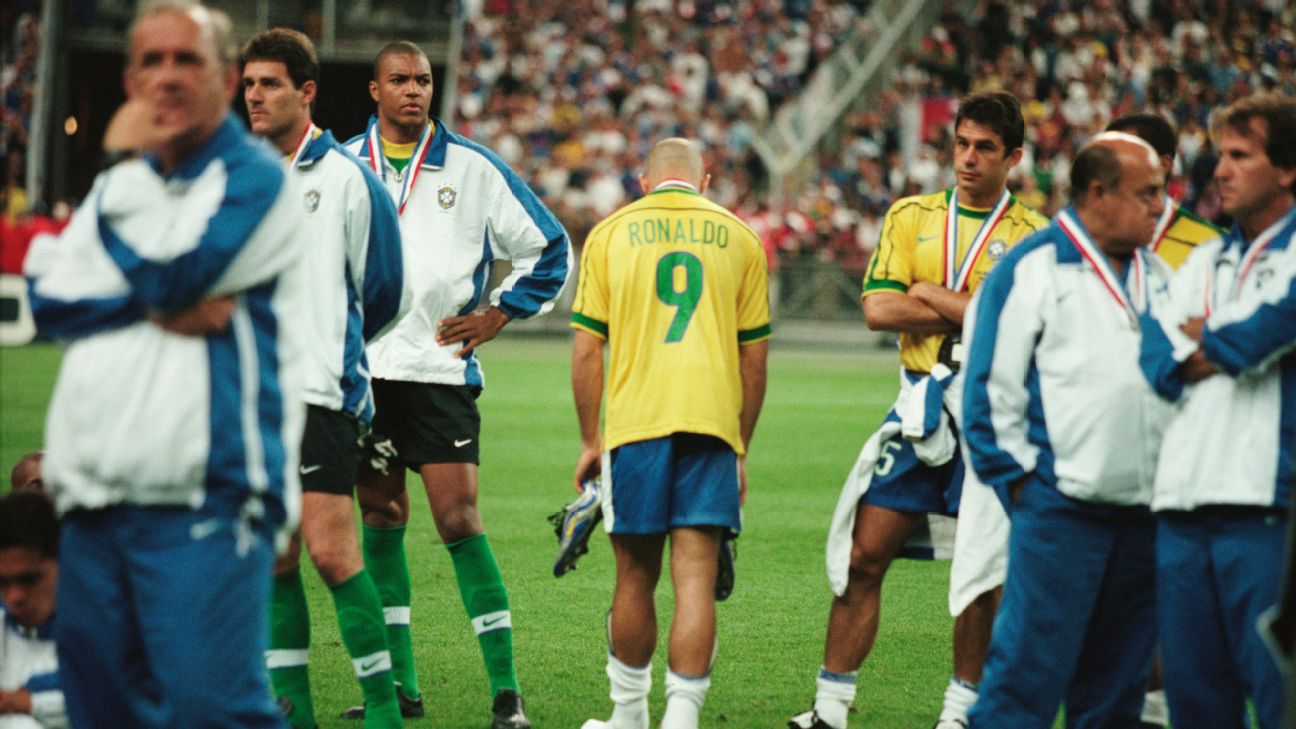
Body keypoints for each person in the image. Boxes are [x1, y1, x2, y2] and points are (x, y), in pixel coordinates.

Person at [23, 2, 307, 726]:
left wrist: (124, 272)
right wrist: (152, 291)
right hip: (90, 502)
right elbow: (46, 297)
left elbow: (181, 275)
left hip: (205, 496)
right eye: (152, 60)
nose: (168, 75)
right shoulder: (121, 187)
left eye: (187, 59)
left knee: (212, 709)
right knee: (103, 709)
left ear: (225, 76)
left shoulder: (257, 180)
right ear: (129, 78)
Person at [945, 111, 1226, 729]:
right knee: (1024, 683)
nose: (1163, 205)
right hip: (1061, 513)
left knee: (1115, 695)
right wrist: (1031, 493)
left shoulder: (1157, 275)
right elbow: (987, 399)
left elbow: (1167, 381)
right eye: (1149, 192)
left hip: (1143, 517)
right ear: (1099, 193)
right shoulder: (1030, 268)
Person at [790, 90, 1048, 729]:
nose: (967, 158)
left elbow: (1018, 324)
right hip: (921, 405)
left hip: (991, 411)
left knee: (981, 570)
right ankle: (829, 710)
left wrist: (929, 291)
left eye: (985, 148)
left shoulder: (1036, 236)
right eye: (961, 143)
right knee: (863, 555)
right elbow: (879, 309)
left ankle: (958, 717)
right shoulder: (912, 215)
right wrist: (973, 305)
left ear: (1012, 157)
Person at [343, 39, 572, 728]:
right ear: (375, 92)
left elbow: (550, 246)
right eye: (400, 80)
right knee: (380, 522)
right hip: (365, 378)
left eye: (424, 80)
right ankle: (403, 688)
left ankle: (507, 692)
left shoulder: (473, 168)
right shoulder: (345, 167)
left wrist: (500, 312)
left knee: (459, 520)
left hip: (439, 374)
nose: (414, 90)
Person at [570, 137, 770, 729]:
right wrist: (740, 445)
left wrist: (589, 440)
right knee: (695, 580)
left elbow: (587, 351)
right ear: (704, 180)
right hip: (710, 424)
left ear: (643, 180)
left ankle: (628, 718)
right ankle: (681, 720)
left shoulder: (610, 234)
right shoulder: (740, 236)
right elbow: (754, 361)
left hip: (636, 425)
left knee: (635, 576)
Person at [241, 27, 407, 729]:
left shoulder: (348, 178)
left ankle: (382, 708)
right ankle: (294, 713)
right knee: (274, 559)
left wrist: (331, 351)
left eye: (269, 83)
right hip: (251, 398)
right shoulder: (238, 177)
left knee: (333, 553)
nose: (254, 95)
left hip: (318, 395)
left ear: (306, 92)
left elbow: (386, 288)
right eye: (248, 83)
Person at [1138, 92, 1296, 729]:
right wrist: (1212, 343)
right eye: (1219, 155)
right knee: (1196, 704)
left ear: (1286, 169)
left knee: (1280, 696)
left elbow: (1265, 330)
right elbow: (1156, 356)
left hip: (1268, 510)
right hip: (1181, 506)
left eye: (1240, 156)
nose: (1220, 170)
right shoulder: (1201, 257)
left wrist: (1206, 337)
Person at [0, 490, 64, 729]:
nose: (14, 596)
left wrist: (28, 701)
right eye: (2, 583)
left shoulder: (111, 633)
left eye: (29, 579)